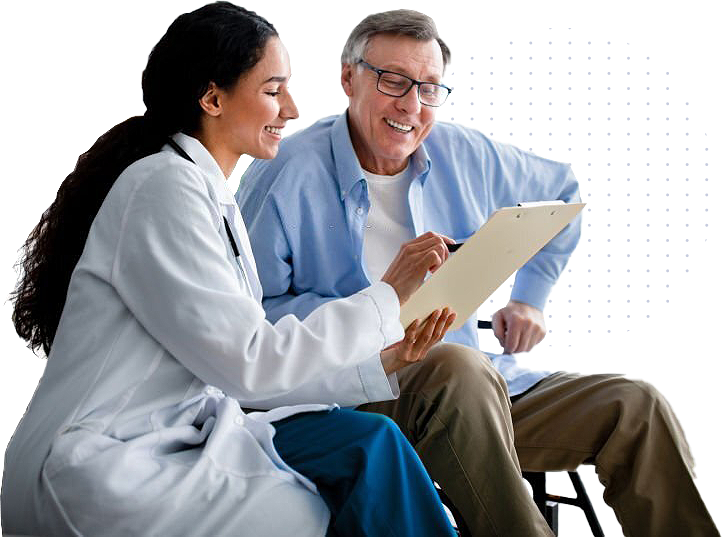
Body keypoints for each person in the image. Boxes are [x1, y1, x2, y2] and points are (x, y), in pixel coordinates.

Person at [236, 9, 720, 537]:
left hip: (480, 389)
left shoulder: (463, 151)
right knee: (457, 369)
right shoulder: (284, 171)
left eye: (428, 89)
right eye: (393, 81)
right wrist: (380, 305)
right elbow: (250, 321)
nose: (410, 106)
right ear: (348, 78)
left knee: (636, 406)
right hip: (359, 389)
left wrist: (530, 298)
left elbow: (563, 195)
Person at [1, 4, 460, 536]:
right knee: (330, 497)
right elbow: (248, 365)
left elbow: (241, 370)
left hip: (179, 434)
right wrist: (385, 297)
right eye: (273, 90)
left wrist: (381, 362)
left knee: (370, 446)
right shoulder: (162, 189)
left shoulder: (208, 193)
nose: (291, 108)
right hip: (98, 460)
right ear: (213, 98)